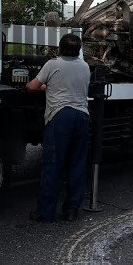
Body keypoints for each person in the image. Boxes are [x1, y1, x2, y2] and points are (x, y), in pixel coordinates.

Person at [26, 33, 91, 222]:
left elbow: (32, 87)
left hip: (61, 116)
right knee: (77, 164)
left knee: (53, 164)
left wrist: (41, 86)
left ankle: (45, 212)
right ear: (79, 50)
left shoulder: (52, 64)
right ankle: (71, 210)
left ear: (60, 48)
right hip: (82, 116)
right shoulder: (85, 66)